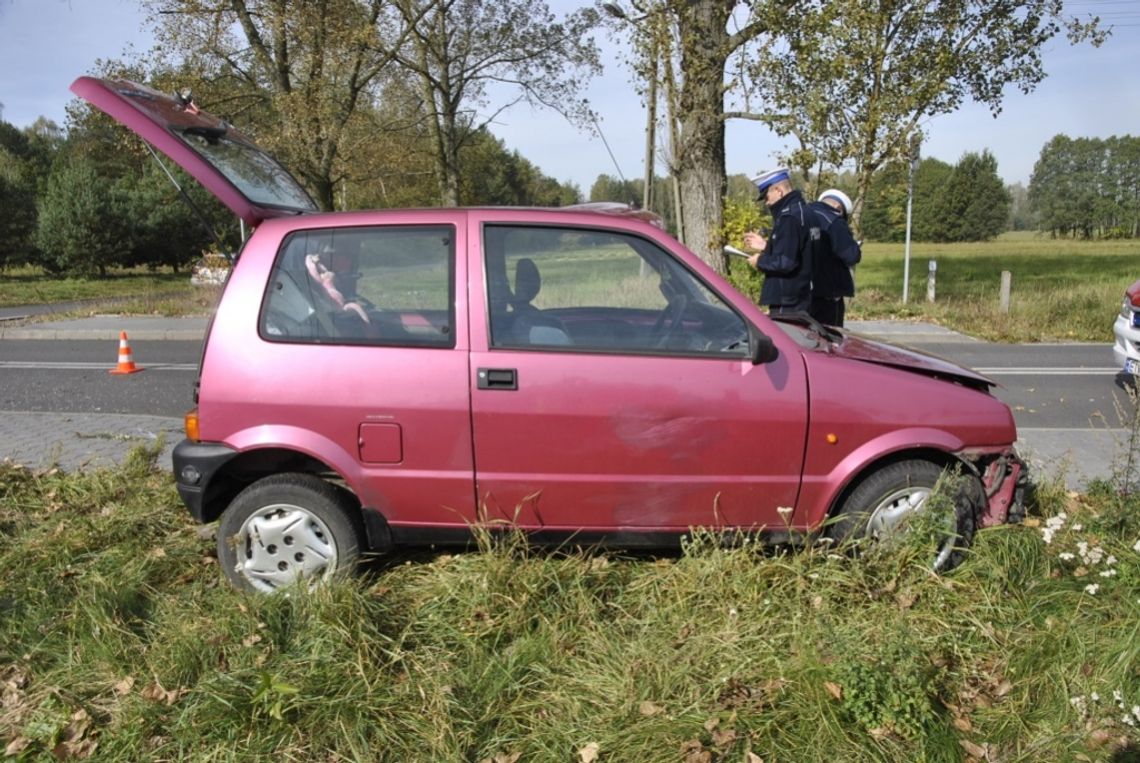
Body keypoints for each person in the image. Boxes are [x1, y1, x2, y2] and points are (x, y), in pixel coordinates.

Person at [743, 167, 824, 317]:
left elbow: (786, 262)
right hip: (804, 294)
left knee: (787, 337)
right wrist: (766, 246)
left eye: (766, 196)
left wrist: (760, 261)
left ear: (778, 190)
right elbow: (799, 250)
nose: (767, 203)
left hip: (788, 299)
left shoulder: (789, 218)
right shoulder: (806, 212)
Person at [808, 188, 862, 327]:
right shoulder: (833, 220)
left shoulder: (800, 214)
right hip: (826, 295)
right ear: (839, 208)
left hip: (799, 293)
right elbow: (850, 256)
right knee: (831, 340)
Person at [305, 242, 372, 325]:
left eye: (348, 257)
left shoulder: (336, 279)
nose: (348, 262)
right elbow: (313, 270)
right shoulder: (316, 286)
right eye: (339, 257)